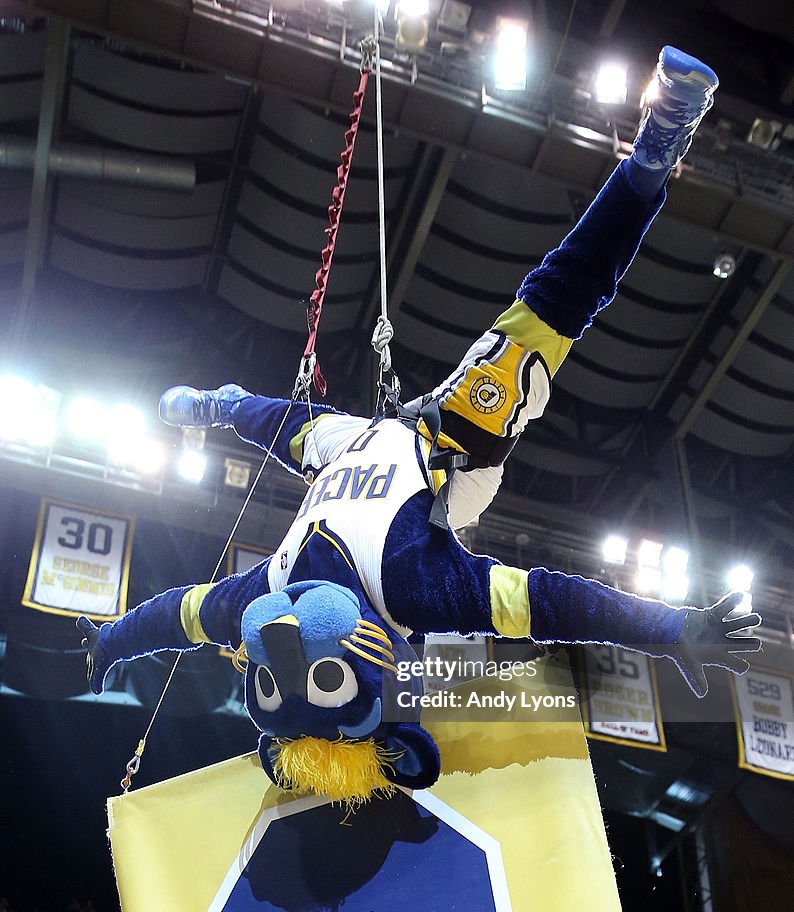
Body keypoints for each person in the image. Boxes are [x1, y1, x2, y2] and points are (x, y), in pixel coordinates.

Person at [77, 47, 761, 800]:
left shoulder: (257, 598)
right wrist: (671, 629)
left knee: (281, 424)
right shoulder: (417, 587)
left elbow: (177, 614)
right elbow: (550, 602)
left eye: (278, 692)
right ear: (376, 670)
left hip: (354, 451)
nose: (287, 653)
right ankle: (656, 150)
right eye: (330, 680)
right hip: (447, 456)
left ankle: (221, 402)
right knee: (546, 312)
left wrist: (114, 638)